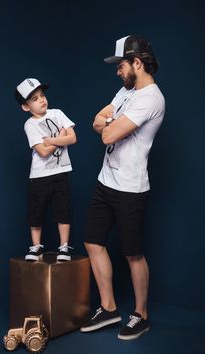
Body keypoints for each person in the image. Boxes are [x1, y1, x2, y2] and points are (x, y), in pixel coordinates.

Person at [81, 35, 165, 340]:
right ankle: (109, 307)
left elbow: (105, 135)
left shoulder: (151, 98)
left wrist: (109, 125)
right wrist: (108, 124)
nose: (117, 71)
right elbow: (96, 122)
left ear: (137, 63)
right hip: (106, 181)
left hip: (131, 188)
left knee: (133, 254)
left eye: (121, 65)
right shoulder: (125, 90)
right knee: (92, 241)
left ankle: (141, 315)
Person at [14, 78, 77, 261]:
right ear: (26, 107)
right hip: (40, 176)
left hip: (61, 172)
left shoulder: (57, 113)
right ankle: (36, 246)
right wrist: (59, 137)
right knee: (36, 211)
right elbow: (42, 152)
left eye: (42, 95)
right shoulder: (30, 125)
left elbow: (72, 138)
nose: (42, 100)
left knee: (63, 210)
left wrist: (51, 140)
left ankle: (64, 246)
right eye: (34, 99)